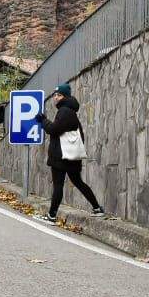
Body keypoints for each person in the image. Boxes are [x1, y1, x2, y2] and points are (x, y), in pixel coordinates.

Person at [34, 83, 106, 221]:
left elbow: (54, 129)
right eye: (55, 95)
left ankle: (52, 216)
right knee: (78, 182)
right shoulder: (69, 110)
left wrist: (43, 121)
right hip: (70, 156)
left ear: (65, 96)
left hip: (61, 156)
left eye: (59, 95)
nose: (56, 98)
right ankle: (97, 208)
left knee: (58, 185)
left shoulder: (65, 111)